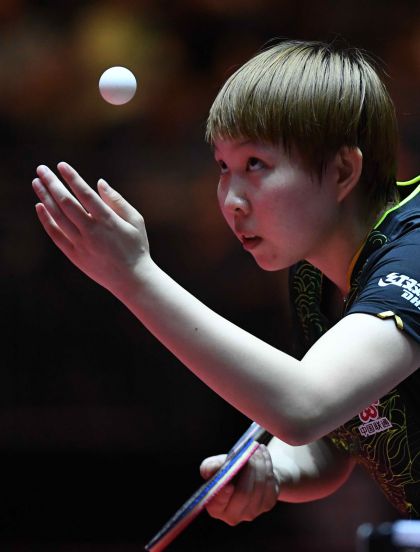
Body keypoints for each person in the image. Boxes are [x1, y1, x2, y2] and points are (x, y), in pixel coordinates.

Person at [32, 39, 420, 527]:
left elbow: (306, 405)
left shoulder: (413, 255)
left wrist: (135, 277)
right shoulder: (313, 273)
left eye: (255, 164)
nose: (232, 200)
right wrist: (274, 472)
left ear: (343, 171)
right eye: (223, 167)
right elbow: (335, 437)